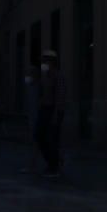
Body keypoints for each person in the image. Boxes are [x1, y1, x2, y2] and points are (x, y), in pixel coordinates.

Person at [35, 50, 66, 178]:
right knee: (39, 135)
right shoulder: (44, 76)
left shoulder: (58, 76)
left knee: (52, 139)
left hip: (54, 110)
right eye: (43, 60)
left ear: (52, 62)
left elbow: (59, 96)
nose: (43, 63)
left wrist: (55, 114)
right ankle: (53, 161)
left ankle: (54, 166)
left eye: (45, 60)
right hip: (44, 109)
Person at [19, 64, 42, 173]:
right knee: (34, 144)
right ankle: (32, 165)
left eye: (28, 73)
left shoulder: (38, 87)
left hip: (38, 120)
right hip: (32, 119)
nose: (26, 76)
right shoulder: (30, 88)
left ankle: (32, 166)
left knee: (35, 143)